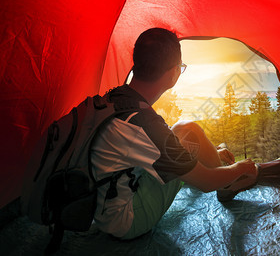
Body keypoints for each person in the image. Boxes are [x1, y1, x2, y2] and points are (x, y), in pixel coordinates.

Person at [90, 28, 258, 240]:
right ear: (173, 73)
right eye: (181, 68)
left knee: (187, 128)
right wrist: (240, 168)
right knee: (191, 149)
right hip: (124, 220)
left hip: (103, 203)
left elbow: (157, 146)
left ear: (136, 64)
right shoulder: (144, 124)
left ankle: (217, 167)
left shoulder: (117, 97)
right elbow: (205, 182)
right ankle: (227, 186)